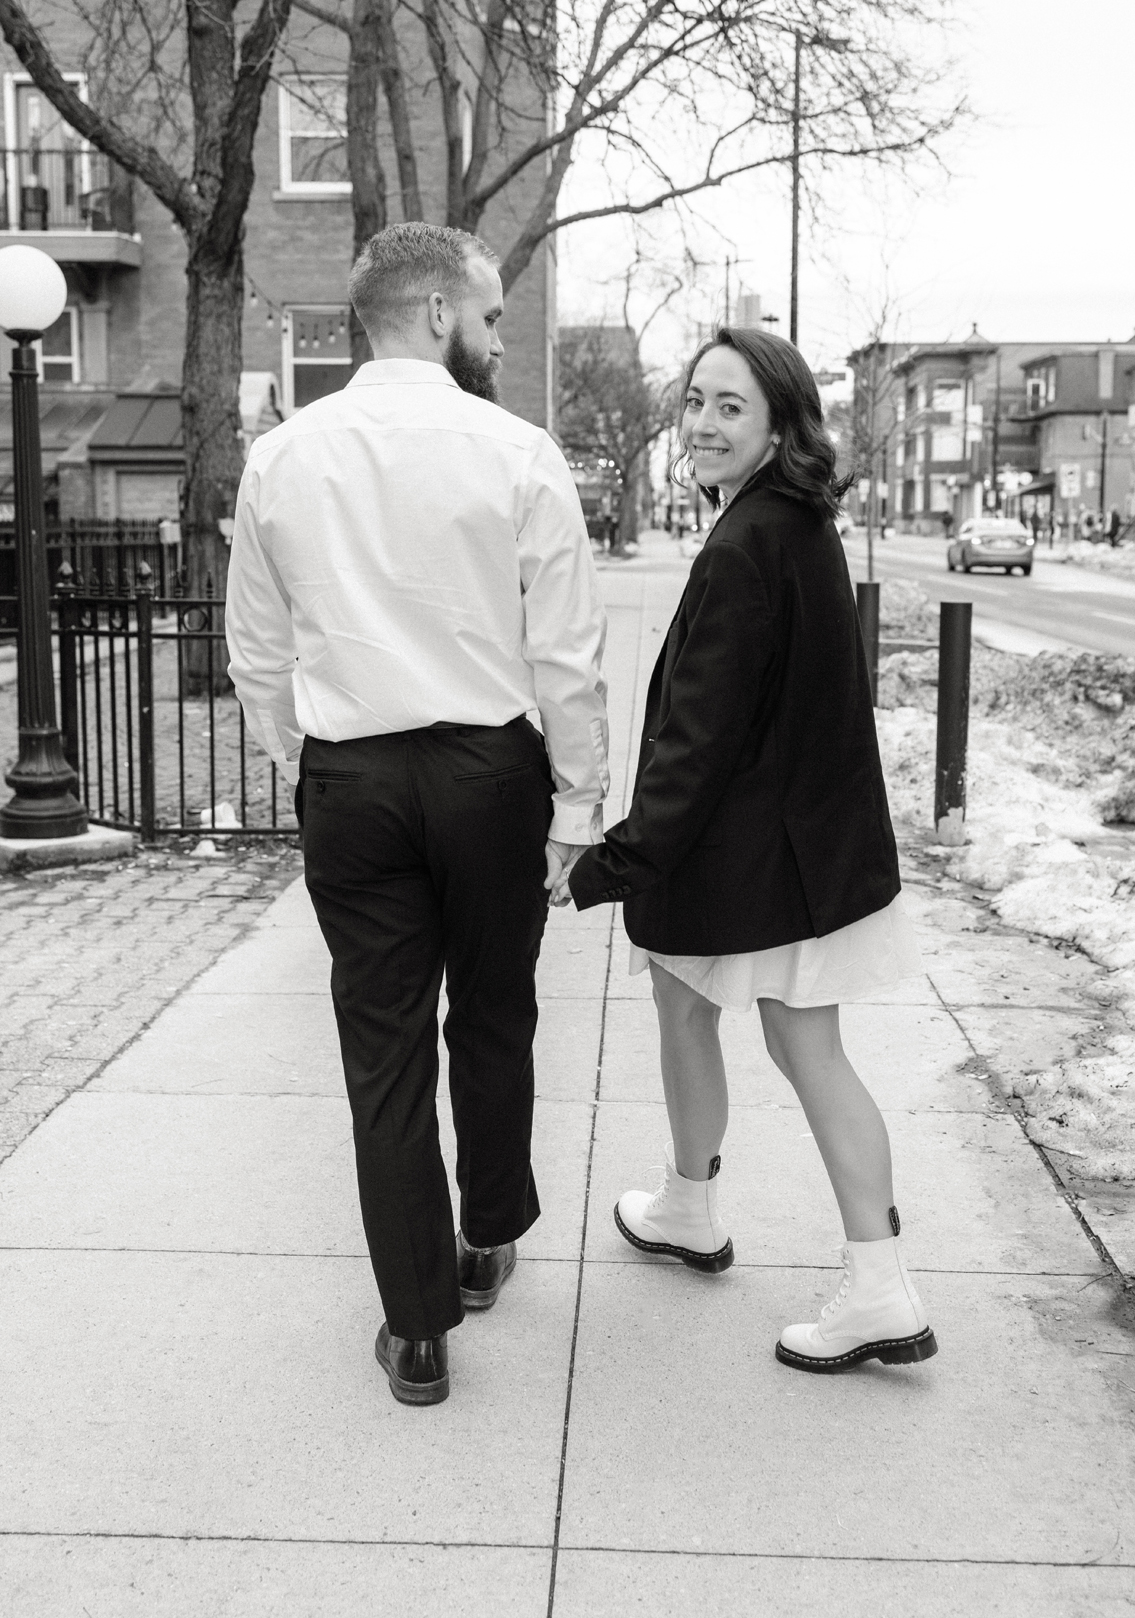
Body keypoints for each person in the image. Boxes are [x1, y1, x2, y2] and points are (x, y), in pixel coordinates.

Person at [226, 223, 609, 1407]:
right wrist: (579, 802)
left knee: (382, 1049)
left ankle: (418, 1324)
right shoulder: (516, 448)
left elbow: (256, 644)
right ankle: (487, 1233)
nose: (497, 339)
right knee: (494, 1010)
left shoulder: (284, 456)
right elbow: (567, 652)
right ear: (437, 312)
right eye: (493, 318)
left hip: (356, 779)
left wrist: (308, 749)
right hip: (490, 772)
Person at [559, 327, 936, 1374]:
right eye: (694, 403)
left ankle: (875, 1286)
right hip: (799, 845)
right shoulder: (793, 522)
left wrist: (610, 862)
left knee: (796, 1045)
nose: (704, 424)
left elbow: (699, 739)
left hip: (765, 855)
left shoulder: (746, 545)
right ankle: (691, 1203)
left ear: (779, 421)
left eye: (731, 406)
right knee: (696, 1004)